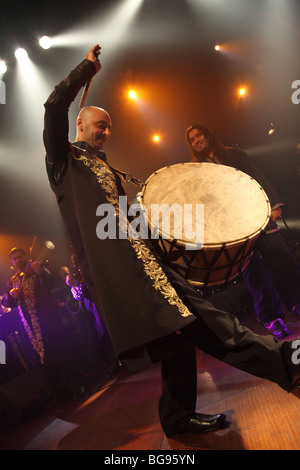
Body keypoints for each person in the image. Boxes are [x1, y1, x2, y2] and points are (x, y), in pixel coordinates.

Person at [43, 45, 300, 438]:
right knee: (198, 331)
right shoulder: (62, 163)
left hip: (147, 267)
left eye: (110, 127)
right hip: (123, 279)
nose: (106, 131)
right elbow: (52, 105)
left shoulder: (105, 169)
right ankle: (286, 365)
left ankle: (180, 418)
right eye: (100, 125)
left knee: (196, 329)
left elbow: (124, 222)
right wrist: (86, 69)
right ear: (80, 123)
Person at [185, 124, 300, 339]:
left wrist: (274, 205)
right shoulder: (196, 170)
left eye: (199, 134)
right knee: (252, 271)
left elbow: (257, 176)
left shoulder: (233, 154)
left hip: (257, 211)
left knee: (281, 257)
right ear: (191, 145)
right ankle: (271, 318)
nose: (197, 140)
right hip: (231, 226)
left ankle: (296, 301)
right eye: (192, 139)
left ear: (207, 134)